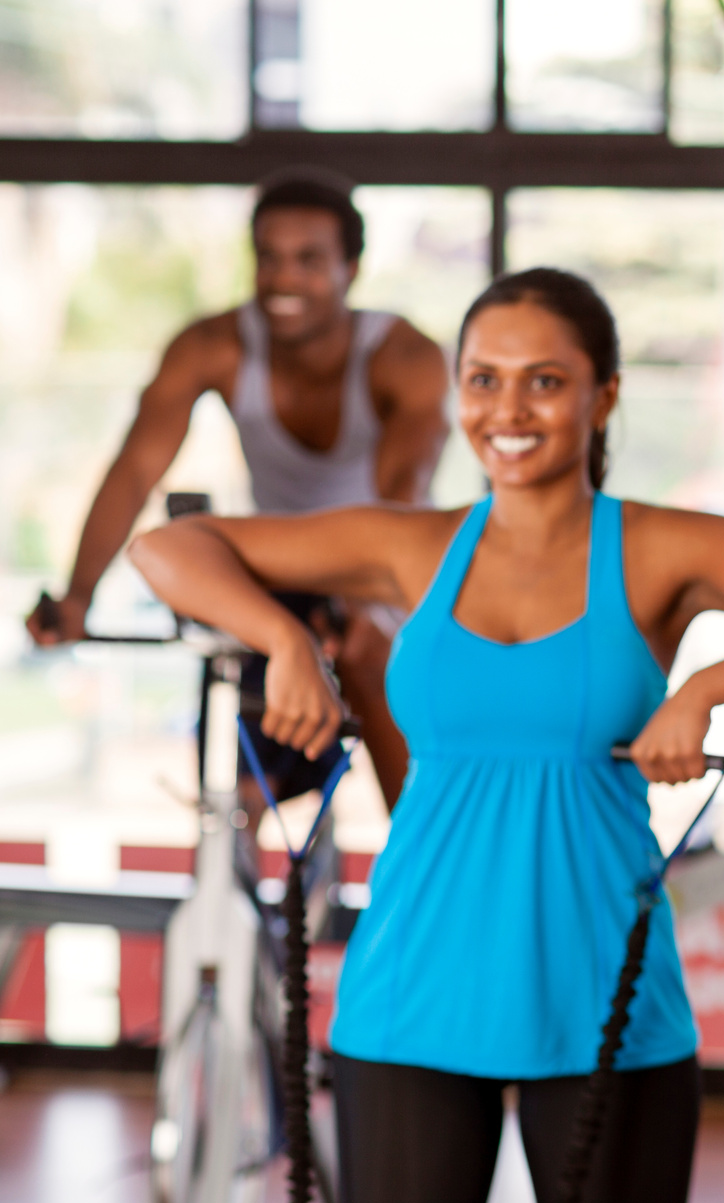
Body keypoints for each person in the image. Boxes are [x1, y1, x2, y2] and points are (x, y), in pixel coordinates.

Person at [130, 268, 724, 1203]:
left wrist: (712, 686)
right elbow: (172, 547)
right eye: (484, 380)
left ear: (603, 396)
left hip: (607, 1007)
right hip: (413, 1002)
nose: (509, 407)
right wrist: (280, 635)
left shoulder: (662, 550)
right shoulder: (408, 547)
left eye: (545, 380)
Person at [28, 169, 448, 810]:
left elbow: (401, 496)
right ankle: (245, 854)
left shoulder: (404, 355)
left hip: (372, 551)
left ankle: (422, 854)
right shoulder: (212, 345)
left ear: (352, 269)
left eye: (309, 261)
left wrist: (361, 610)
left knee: (365, 657)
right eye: (270, 259)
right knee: (251, 764)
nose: (284, 279)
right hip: (272, 555)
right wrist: (80, 593)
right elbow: (137, 468)